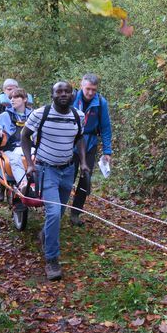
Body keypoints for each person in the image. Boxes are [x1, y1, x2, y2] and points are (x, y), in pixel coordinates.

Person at [21, 81, 89, 281]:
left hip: (68, 169)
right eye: (59, 91)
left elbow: (80, 139)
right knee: (53, 211)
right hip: (46, 169)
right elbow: (25, 137)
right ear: (52, 94)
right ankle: (51, 260)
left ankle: (45, 235)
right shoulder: (39, 114)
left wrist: (83, 162)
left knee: (58, 212)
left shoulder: (78, 116)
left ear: (73, 95)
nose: (63, 94)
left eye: (67, 91)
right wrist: (30, 164)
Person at [69, 73, 113, 226]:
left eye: (93, 90)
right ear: (82, 86)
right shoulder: (71, 98)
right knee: (67, 176)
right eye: (88, 89)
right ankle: (58, 208)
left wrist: (107, 151)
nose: (90, 93)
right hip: (70, 143)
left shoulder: (101, 102)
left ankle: (75, 213)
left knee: (84, 179)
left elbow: (106, 127)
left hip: (89, 144)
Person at [0, 78, 35, 200]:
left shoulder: (34, 115)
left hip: (30, 147)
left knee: (41, 159)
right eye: (11, 98)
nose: (12, 100)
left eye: (16, 97)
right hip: (10, 148)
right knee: (14, 159)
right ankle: (24, 185)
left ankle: (40, 186)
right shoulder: (5, 115)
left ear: (25, 99)